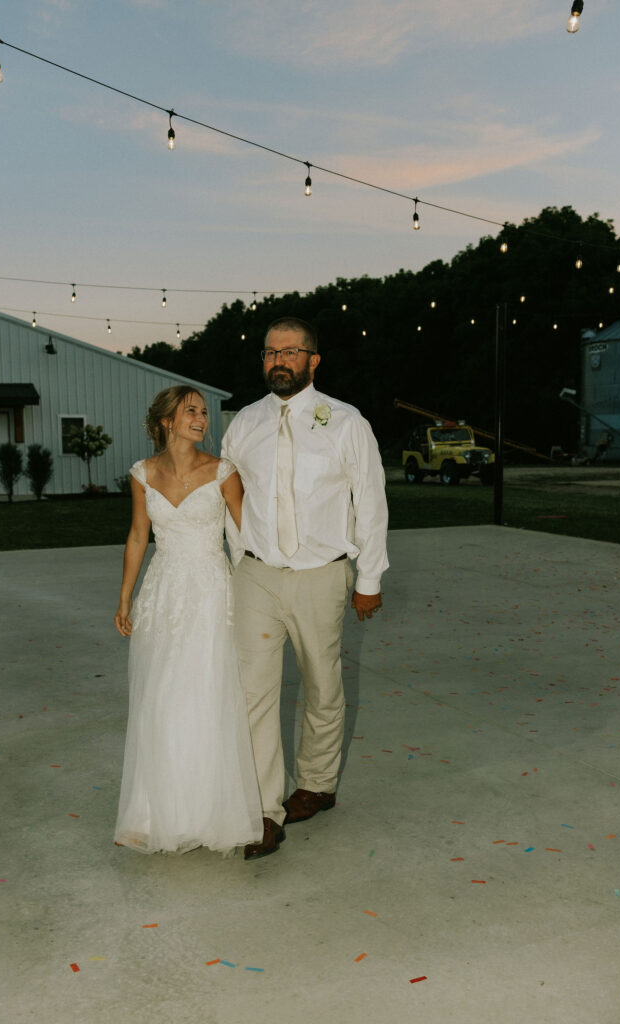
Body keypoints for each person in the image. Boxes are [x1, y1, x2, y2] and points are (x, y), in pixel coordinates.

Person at [222, 317, 389, 860]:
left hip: (322, 573)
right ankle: (263, 811)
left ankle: (316, 783)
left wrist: (368, 578)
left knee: (322, 683)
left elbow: (370, 501)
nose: (279, 361)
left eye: (290, 352)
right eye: (270, 352)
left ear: (313, 361)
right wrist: (235, 562)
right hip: (257, 575)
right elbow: (230, 497)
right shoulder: (244, 423)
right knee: (253, 694)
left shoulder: (345, 422)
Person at [113, 385, 262, 855]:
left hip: (212, 592)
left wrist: (254, 594)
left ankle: (210, 814)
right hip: (162, 594)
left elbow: (244, 538)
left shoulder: (223, 472)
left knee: (208, 696)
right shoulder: (142, 474)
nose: (201, 418)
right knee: (162, 697)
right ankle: (154, 813)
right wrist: (125, 598)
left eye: (203, 411)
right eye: (190, 411)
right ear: (165, 421)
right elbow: (139, 536)